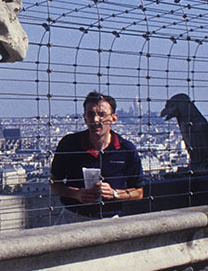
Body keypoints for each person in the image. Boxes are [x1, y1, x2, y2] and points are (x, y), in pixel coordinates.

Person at [50, 91, 145, 222]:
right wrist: (76, 194)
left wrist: (114, 193)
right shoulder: (69, 145)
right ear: (85, 118)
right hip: (73, 217)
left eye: (101, 114)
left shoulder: (126, 150)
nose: (95, 120)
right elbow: (54, 183)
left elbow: (139, 192)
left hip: (108, 220)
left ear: (114, 118)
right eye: (91, 114)